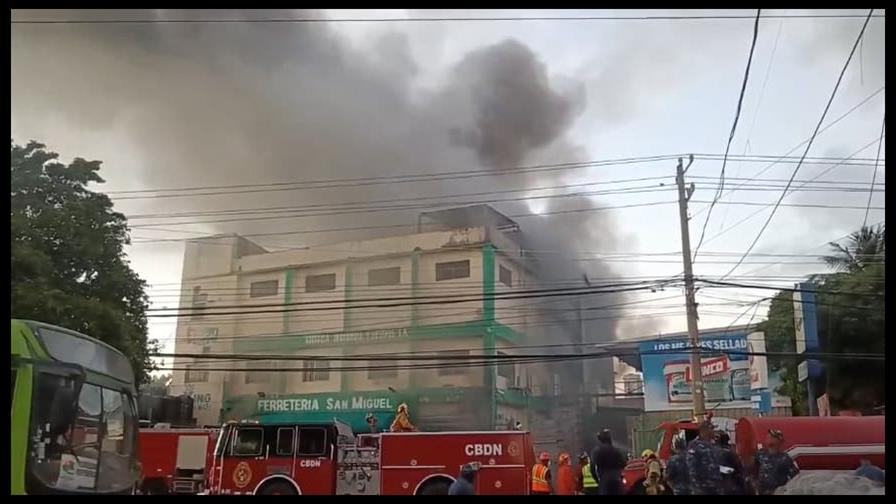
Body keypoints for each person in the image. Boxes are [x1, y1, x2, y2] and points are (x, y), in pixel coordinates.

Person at [755, 429, 799, 495]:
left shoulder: (785, 459)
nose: (768, 437)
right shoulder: (761, 454)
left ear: (779, 440)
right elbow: (752, 469)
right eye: (768, 436)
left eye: (772, 437)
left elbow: (795, 477)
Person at [686, 419, 722, 495]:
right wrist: (698, 488)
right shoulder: (694, 445)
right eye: (712, 428)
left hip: (716, 487)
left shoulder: (713, 445)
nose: (714, 431)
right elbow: (691, 468)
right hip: (703, 488)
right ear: (705, 430)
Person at [590, 429, 626, 495]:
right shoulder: (616, 450)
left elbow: (592, 468)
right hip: (616, 479)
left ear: (600, 439)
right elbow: (624, 463)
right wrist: (619, 474)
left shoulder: (596, 452)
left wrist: (598, 480)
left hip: (604, 480)